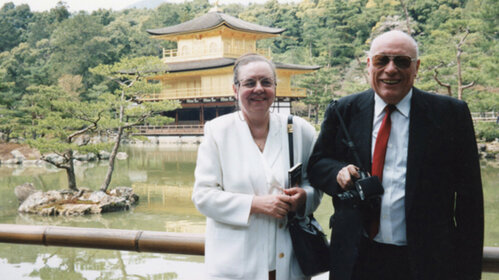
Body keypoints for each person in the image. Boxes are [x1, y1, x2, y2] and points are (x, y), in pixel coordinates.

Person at [307, 30, 483, 280]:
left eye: (401, 61)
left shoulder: (449, 115)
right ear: (369, 65)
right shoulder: (343, 110)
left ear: (416, 67)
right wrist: (338, 173)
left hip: (426, 261)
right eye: (382, 60)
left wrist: (468, 271)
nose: (391, 69)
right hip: (358, 259)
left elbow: (470, 202)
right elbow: (317, 164)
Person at [192, 53, 321, 280]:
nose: (259, 89)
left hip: (290, 260)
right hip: (235, 261)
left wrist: (303, 198)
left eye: (266, 82)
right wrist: (255, 204)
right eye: (250, 83)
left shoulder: (300, 130)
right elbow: (203, 196)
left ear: (275, 87)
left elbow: (316, 186)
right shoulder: (218, 132)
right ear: (235, 89)